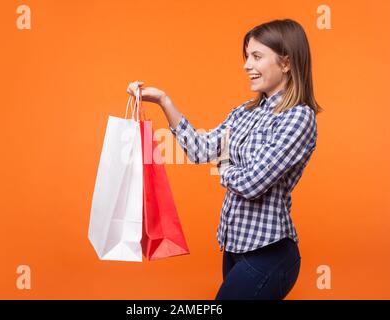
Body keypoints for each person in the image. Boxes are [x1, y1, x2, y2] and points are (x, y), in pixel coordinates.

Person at [126, 18, 322, 300]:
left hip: (269, 252)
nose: (246, 65)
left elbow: (253, 182)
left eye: (257, 56)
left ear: (286, 63)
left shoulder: (298, 117)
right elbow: (199, 150)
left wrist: (224, 164)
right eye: (247, 57)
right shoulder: (245, 111)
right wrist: (163, 100)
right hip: (233, 248)